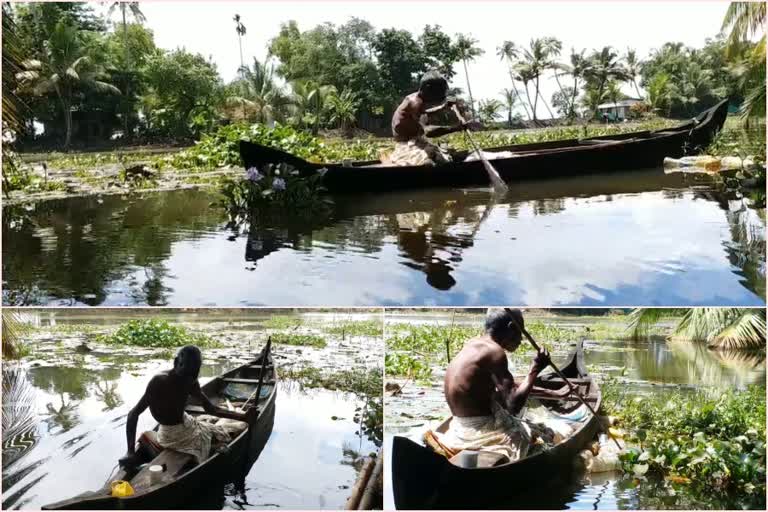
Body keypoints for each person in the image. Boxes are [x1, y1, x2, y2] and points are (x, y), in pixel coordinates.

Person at [432, 308, 570, 462]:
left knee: (532, 427)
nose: (521, 340)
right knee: (540, 435)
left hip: (459, 427)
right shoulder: (494, 352)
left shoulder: (473, 343)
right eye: (521, 332)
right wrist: (535, 369)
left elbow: (486, 386)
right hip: (478, 433)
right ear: (512, 328)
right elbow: (513, 405)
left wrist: (547, 391)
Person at [119, 345, 255, 469]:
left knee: (219, 434)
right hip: (170, 434)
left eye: (193, 374)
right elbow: (133, 414)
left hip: (186, 423)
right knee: (213, 442)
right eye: (186, 373)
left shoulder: (191, 380)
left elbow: (211, 409)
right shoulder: (158, 382)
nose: (189, 379)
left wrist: (243, 416)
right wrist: (130, 451)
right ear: (176, 362)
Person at [389, 71, 479, 166]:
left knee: (450, 157)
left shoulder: (422, 98)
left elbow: (432, 110)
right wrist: (459, 127)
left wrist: (447, 105)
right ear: (427, 90)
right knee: (429, 163)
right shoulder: (414, 103)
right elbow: (428, 131)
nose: (440, 98)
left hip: (419, 141)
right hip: (407, 145)